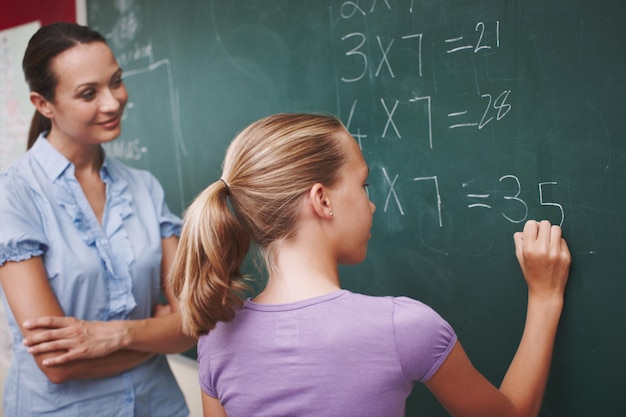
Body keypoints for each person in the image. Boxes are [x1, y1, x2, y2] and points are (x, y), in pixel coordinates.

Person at [169, 113, 572, 417]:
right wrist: (546, 296)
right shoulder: (403, 328)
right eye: (363, 185)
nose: (372, 204)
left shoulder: (217, 339)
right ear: (322, 200)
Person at [0, 23, 196, 416]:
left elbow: (192, 321)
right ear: (43, 104)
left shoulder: (145, 187)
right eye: (89, 93)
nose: (112, 102)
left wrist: (111, 335)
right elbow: (58, 365)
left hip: (158, 405)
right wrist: (157, 335)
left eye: (117, 82)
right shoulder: (14, 193)